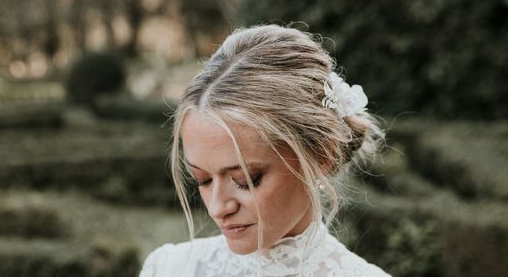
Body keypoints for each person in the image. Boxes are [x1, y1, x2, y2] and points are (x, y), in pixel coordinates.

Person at [140, 24, 391, 277]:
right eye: (202, 180)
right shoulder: (168, 268)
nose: (217, 207)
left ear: (321, 155)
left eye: (246, 180)